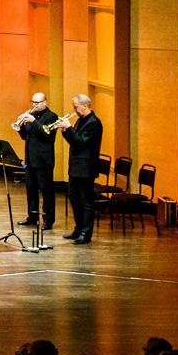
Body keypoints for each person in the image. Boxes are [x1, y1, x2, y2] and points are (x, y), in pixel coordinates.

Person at [58, 94, 103, 244]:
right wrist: (65, 132)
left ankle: (86, 233)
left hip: (86, 168)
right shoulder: (81, 119)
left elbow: (82, 143)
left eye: (76, 107)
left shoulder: (93, 123)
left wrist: (69, 128)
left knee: (87, 201)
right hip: (76, 167)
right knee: (74, 198)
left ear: (85, 105)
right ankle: (78, 229)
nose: (74, 110)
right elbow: (74, 141)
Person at [17, 93, 58, 229]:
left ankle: (48, 220)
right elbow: (24, 136)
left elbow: (46, 135)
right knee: (31, 190)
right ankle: (32, 217)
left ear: (44, 102)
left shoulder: (52, 116)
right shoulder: (31, 117)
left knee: (46, 192)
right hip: (30, 159)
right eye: (33, 102)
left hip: (43, 161)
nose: (34, 105)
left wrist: (33, 121)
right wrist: (21, 125)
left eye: (37, 102)